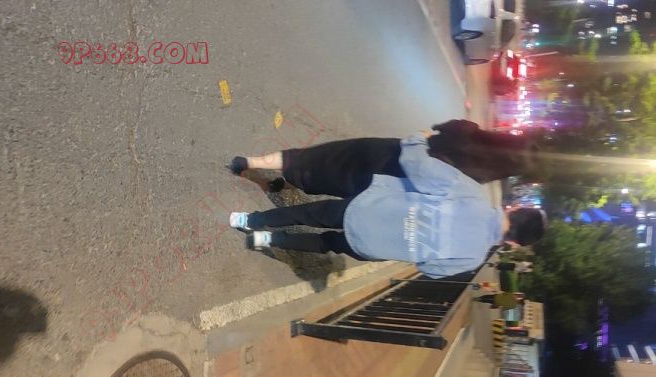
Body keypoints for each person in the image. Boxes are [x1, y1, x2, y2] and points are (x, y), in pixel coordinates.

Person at [227, 131, 547, 279]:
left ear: (514, 210)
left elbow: (420, 168)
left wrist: (417, 142)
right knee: (327, 243)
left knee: (310, 213)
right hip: (375, 246)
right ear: (514, 243)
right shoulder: (473, 258)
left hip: (372, 209)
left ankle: (250, 221)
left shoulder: (473, 197)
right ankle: (268, 239)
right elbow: (429, 269)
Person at [227, 118, 537, 193]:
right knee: (332, 181)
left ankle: (250, 163)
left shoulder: (469, 131)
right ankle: (288, 181)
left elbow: (431, 130)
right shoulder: (477, 180)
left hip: (388, 151)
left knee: (325, 155)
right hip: (390, 182)